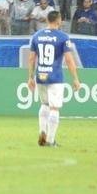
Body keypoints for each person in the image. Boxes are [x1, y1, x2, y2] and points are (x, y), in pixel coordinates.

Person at [27, 10, 81, 148]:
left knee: (44, 105)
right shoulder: (63, 37)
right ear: (59, 20)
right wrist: (75, 78)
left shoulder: (37, 36)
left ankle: (42, 131)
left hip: (41, 76)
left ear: (46, 20)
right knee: (54, 108)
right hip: (55, 77)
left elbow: (32, 58)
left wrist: (30, 77)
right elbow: (69, 60)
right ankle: (50, 140)